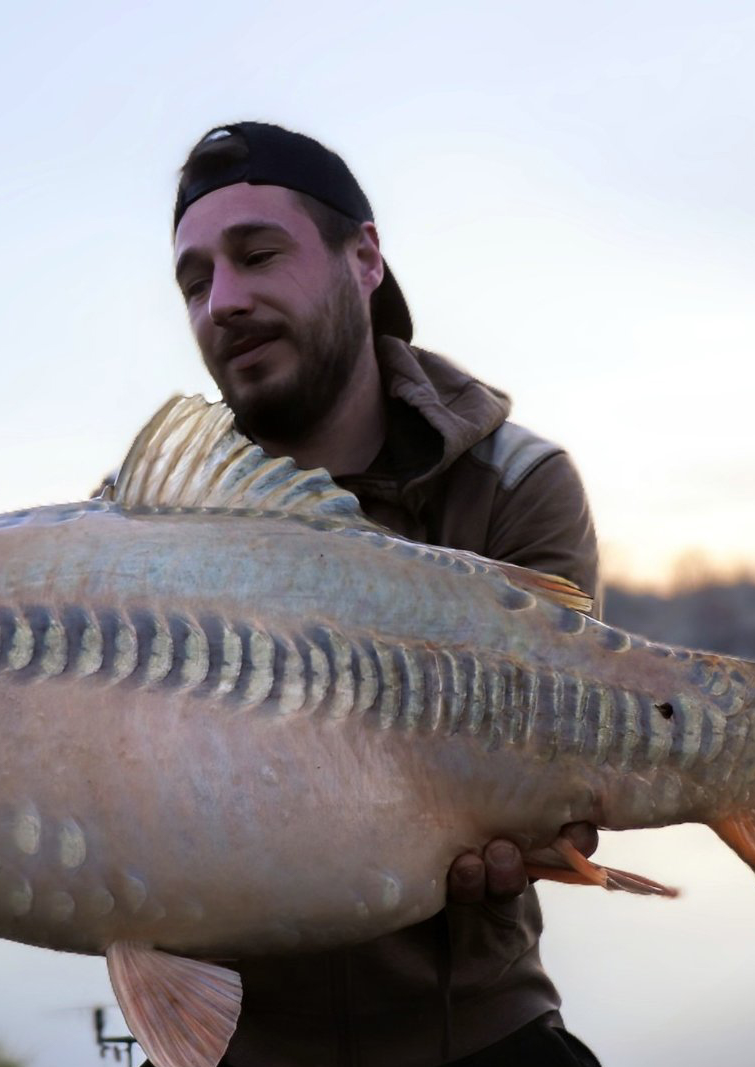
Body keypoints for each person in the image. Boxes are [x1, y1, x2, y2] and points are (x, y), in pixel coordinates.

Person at [165, 121, 604, 1067]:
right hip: (224, 1046)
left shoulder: (520, 482)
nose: (224, 302)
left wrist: (523, 818)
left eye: (257, 254)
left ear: (364, 257)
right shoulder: (139, 537)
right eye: (195, 281)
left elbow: (552, 771)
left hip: (480, 1034)